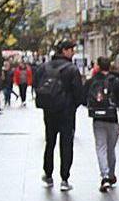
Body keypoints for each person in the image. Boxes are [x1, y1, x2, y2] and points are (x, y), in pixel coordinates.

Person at [35, 40, 85, 191]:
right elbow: (79, 93)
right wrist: (72, 105)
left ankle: (48, 174)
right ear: (64, 51)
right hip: (66, 112)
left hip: (49, 111)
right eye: (71, 50)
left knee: (50, 142)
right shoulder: (71, 69)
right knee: (66, 144)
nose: (73, 53)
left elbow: (37, 85)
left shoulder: (44, 67)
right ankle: (64, 178)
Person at [86, 57, 119, 192]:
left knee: (101, 147)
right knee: (111, 148)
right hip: (112, 119)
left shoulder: (92, 81)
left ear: (98, 66)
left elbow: (82, 97)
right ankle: (110, 175)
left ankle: (104, 176)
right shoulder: (116, 82)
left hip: (98, 119)